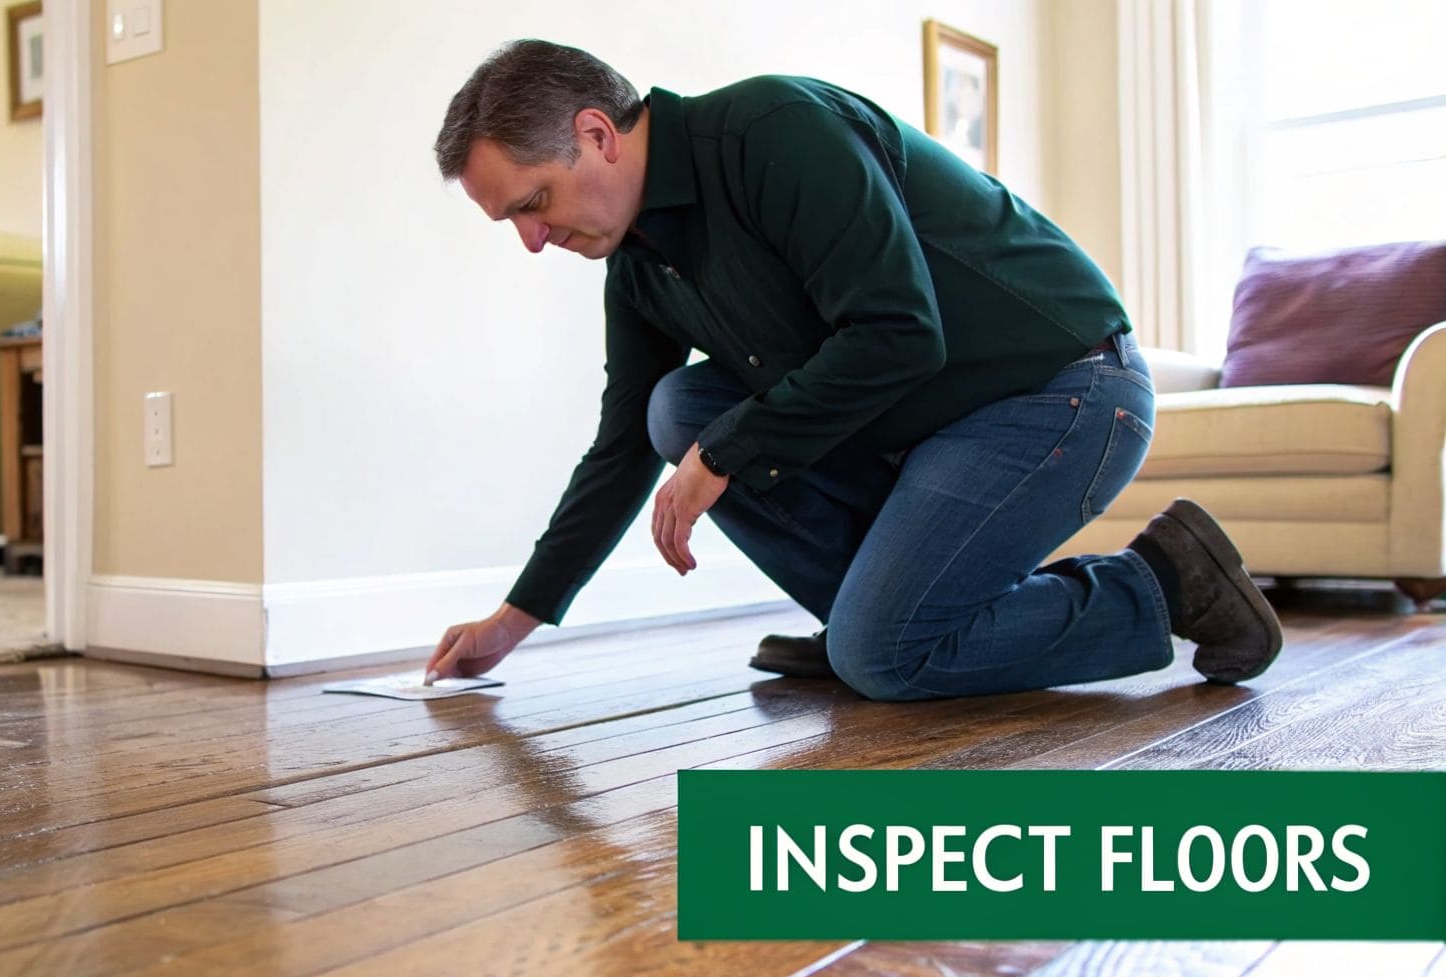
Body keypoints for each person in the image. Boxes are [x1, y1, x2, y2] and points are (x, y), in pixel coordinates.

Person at [423, 40, 1281, 700]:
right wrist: (514, 621)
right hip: (920, 430)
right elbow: (620, 450)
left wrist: (723, 457)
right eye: (512, 223)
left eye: (532, 204)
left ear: (596, 134)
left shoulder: (769, 132)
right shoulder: (640, 263)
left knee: (884, 654)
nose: (533, 240)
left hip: (1060, 390)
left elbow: (898, 335)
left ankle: (1168, 579)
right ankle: (867, 627)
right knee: (675, 406)